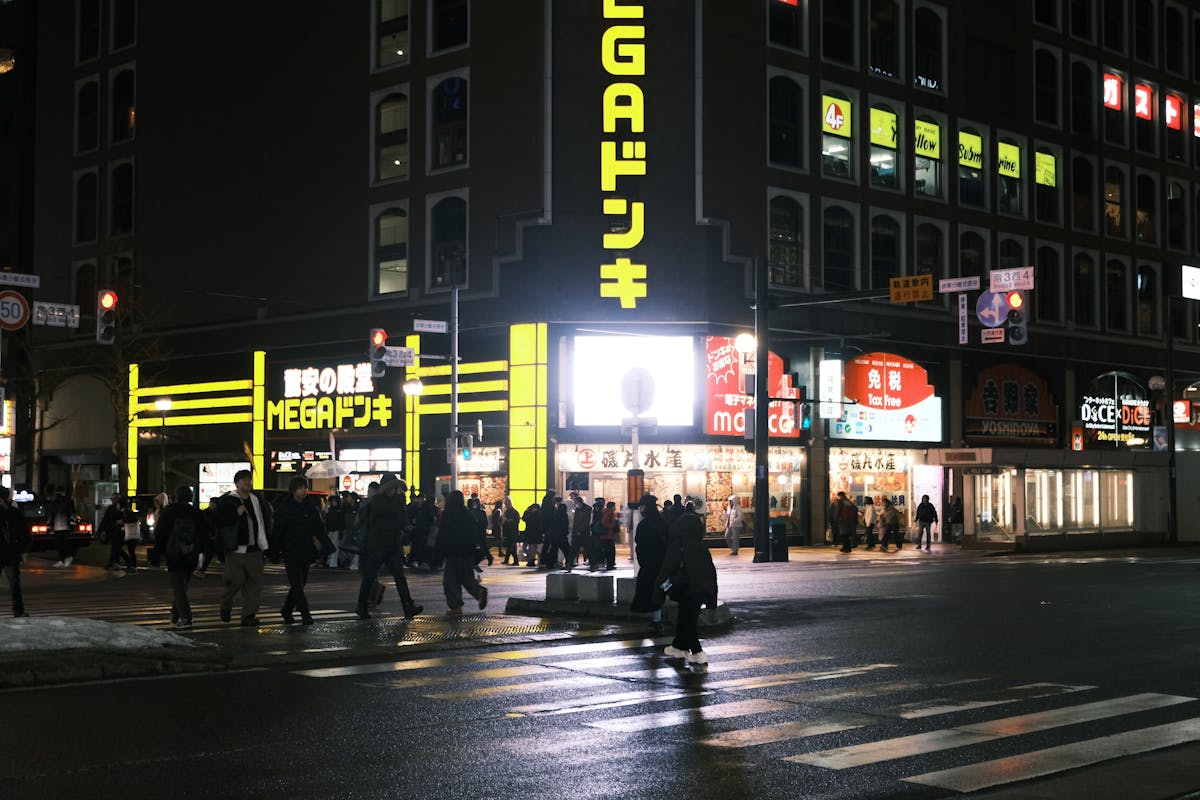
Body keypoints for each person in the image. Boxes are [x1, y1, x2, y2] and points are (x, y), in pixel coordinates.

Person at [655, 505, 718, 665]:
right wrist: (712, 598)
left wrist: (658, 590)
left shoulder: (679, 544)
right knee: (685, 618)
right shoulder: (702, 545)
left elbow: (667, 568)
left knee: (688, 621)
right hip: (701, 589)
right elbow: (711, 572)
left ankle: (697, 652)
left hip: (686, 588)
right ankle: (679, 647)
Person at [356, 473, 423, 620]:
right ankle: (363, 607)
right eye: (394, 487)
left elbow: (402, 522)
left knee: (396, 577)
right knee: (371, 577)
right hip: (379, 545)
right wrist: (400, 501)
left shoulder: (385, 501)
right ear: (388, 488)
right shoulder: (382, 502)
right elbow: (397, 518)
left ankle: (407, 606)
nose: (396, 490)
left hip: (390, 545)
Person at [212, 469, 272, 626]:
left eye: (249, 480)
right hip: (236, 549)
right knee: (233, 582)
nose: (248, 483)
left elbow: (262, 521)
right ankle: (225, 605)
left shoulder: (255, 499)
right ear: (237, 483)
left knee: (254, 584)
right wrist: (236, 514)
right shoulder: (228, 500)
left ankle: (248, 616)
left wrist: (266, 543)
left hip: (255, 549)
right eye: (244, 480)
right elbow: (218, 521)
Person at [271, 476, 332, 625]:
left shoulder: (310, 507)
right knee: (297, 584)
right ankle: (305, 614)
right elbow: (277, 532)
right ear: (293, 490)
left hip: (305, 550)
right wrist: (274, 552)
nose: (304, 490)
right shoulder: (285, 508)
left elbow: (318, 529)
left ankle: (287, 609)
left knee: (300, 583)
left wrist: (327, 545)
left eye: (305, 487)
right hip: (290, 551)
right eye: (301, 488)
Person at [153, 485, 210, 629]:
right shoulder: (196, 512)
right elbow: (204, 533)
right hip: (191, 553)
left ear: (176, 496)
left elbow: (160, 533)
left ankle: (186, 617)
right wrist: (201, 552)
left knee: (178, 586)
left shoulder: (169, 512)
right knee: (183, 585)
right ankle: (175, 615)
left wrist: (158, 552)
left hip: (174, 553)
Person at [436, 490, 488, 616]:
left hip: (452, 553)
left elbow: (443, 536)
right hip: (468, 553)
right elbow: (476, 534)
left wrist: (438, 554)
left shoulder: (448, 514)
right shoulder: (468, 514)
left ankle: (455, 606)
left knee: (451, 581)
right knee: (467, 578)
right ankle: (478, 591)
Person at [630, 494, 668, 632]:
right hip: (662, 564)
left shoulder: (645, 524)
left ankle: (657, 620)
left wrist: (643, 561)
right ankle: (657, 619)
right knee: (659, 590)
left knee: (650, 591)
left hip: (649, 565)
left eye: (642, 506)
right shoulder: (662, 522)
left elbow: (640, 545)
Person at [0, 486, 31, 617]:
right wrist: (23, 550)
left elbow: (23, 533)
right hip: (10, 552)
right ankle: (18, 611)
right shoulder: (14, 512)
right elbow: (24, 534)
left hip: (8, 552)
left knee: (14, 584)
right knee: (14, 584)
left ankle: (18, 610)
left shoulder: (11, 513)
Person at [47, 484, 77, 567]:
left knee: (59, 544)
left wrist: (49, 524)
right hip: (66, 525)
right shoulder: (68, 501)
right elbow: (72, 513)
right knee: (65, 543)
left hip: (57, 526)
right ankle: (66, 558)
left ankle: (62, 559)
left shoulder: (54, 502)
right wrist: (74, 522)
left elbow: (51, 514)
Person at [100, 493, 126, 571]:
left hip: (119, 530)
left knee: (116, 546)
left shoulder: (121, 507)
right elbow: (106, 519)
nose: (112, 500)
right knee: (115, 547)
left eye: (114, 499)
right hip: (113, 529)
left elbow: (123, 517)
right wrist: (101, 530)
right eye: (112, 499)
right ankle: (115, 562)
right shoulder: (111, 508)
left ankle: (115, 562)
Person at [544, 498, 571, 570]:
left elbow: (552, 525)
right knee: (566, 550)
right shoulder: (564, 516)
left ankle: (550, 564)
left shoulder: (556, 515)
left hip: (554, 536)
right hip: (562, 536)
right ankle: (569, 563)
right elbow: (565, 526)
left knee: (553, 550)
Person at [468, 496, 493, 566]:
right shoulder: (474, 512)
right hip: (477, 532)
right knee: (480, 546)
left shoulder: (481, 512)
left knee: (482, 546)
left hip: (480, 532)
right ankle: (483, 559)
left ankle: (486, 558)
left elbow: (485, 523)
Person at [568, 495, 592, 570]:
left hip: (584, 533)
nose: (575, 504)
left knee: (587, 549)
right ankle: (569, 564)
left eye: (575, 502)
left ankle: (593, 563)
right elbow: (576, 522)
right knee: (574, 549)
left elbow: (586, 522)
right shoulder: (578, 509)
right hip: (577, 533)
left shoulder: (587, 509)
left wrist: (580, 530)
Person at [324, 492, 346, 568]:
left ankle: (332, 563)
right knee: (332, 547)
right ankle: (332, 562)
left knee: (334, 547)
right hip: (331, 531)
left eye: (334, 501)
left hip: (335, 531)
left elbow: (341, 522)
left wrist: (340, 532)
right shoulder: (332, 511)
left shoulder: (336, 511)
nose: (333, 503)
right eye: (332, 501)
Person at [520, 500, 542, 567]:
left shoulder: (534, 514)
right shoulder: (536, 513)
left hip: (531, 532)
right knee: (532, 547)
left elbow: (525, 519)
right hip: (533, 532)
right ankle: (532, 559)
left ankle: (532, 559)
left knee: (532, 547)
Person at [500, 497, 521, 565]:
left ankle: (507, 560)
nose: (505, 505)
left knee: (510, 546)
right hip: (510, 532)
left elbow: (516, 521)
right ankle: (515, 561)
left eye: (506, 503)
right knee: (512, 547)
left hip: (513, 532)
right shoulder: (508, 511)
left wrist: (507, 520)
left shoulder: (514, 512)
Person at [598, 501, 618, 570]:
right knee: (610, 551)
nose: (615, 508)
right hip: (608, 535)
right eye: (614, 506)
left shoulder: (605, 512)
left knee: (607, 550)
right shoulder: (609, 513)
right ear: (611, 507)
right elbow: (604, 522)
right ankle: (610, 564)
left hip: (606, 535)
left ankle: (608, 563)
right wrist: (612, 525)